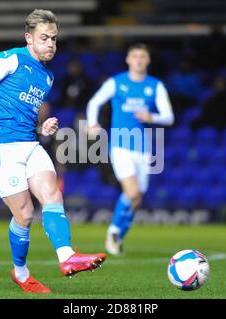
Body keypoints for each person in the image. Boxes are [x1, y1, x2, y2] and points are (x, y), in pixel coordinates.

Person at [0, 9, 106, 294]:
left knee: (53, 194)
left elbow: (26, 114)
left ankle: (67, 258)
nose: (51, 44)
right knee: (26, 215)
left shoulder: (47, 77)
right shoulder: (10, 58)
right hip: (0, 146)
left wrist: (43, 128)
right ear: (29, 38)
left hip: (30, 143)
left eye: (54, 38)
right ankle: (21, 272)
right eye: (44, 38)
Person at [86, 43, 174, 255]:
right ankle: (114, 231)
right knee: (132, 192)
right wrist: (91, 124)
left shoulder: (155, 86)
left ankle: (118, 236)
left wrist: (151, 117)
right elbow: (94, 102)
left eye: (143, 56)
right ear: (128, 59)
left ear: (148, 60)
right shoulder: (117, 82)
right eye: (135, 56)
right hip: (120, 145)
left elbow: (169, 117)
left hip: (143, 148)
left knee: (137, 198)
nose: (139, 60)